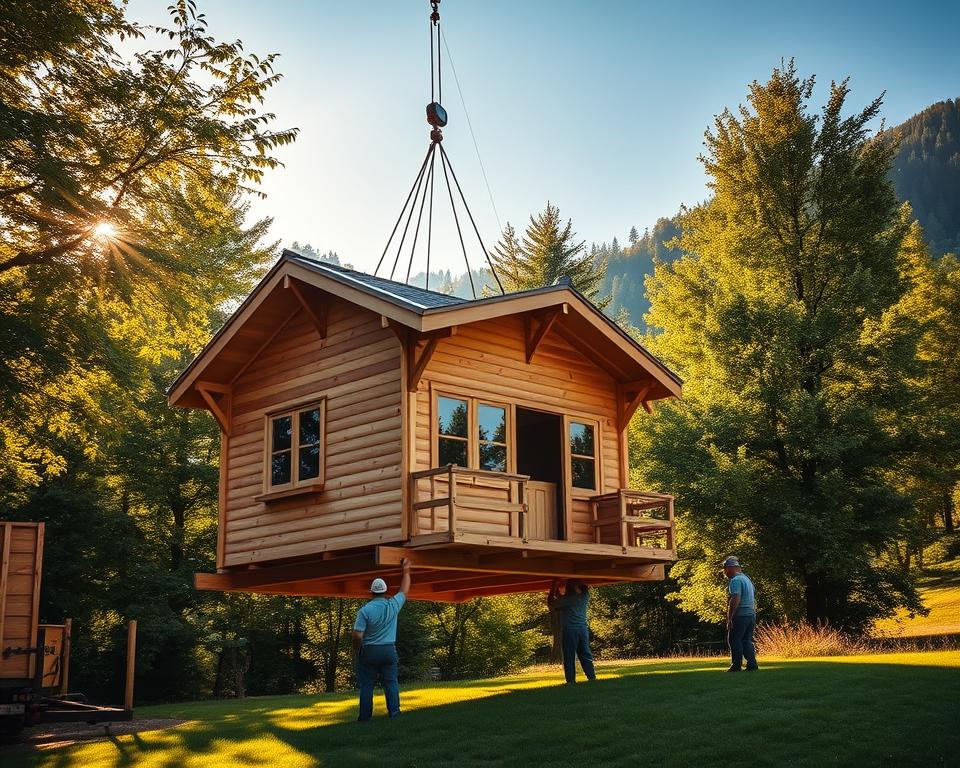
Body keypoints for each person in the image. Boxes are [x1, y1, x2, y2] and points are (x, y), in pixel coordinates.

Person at [352, 557, 412, 720]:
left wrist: (358, 650)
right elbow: (404, 589)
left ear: (371, 592)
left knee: (367, 686)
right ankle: (394, 713)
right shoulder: (393, 605)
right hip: (388, 650)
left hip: (369, 651)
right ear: (385, 591)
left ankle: (365, 718)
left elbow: (357, 635)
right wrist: (406, 569)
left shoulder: (365, 611)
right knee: (391, 682)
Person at [548, 578, 596, 684]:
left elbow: (552, 603)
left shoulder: (568, 600)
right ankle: (591, 677)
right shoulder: (584, 597)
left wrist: (553, 586)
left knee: (569, 656)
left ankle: (571, 681)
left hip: (570, 630)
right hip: (583, 630)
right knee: (585, 654)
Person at [723, 555, 758, 672]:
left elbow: (735, 599)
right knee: (747, 640)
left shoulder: (735, 580)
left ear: (731, 568)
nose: (725, 572)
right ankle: (752, 664)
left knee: (734, 639)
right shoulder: (747, 579)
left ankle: (736, 665)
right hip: (751, 614)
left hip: (741, 615)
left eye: (725, 568)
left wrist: (730, 617)